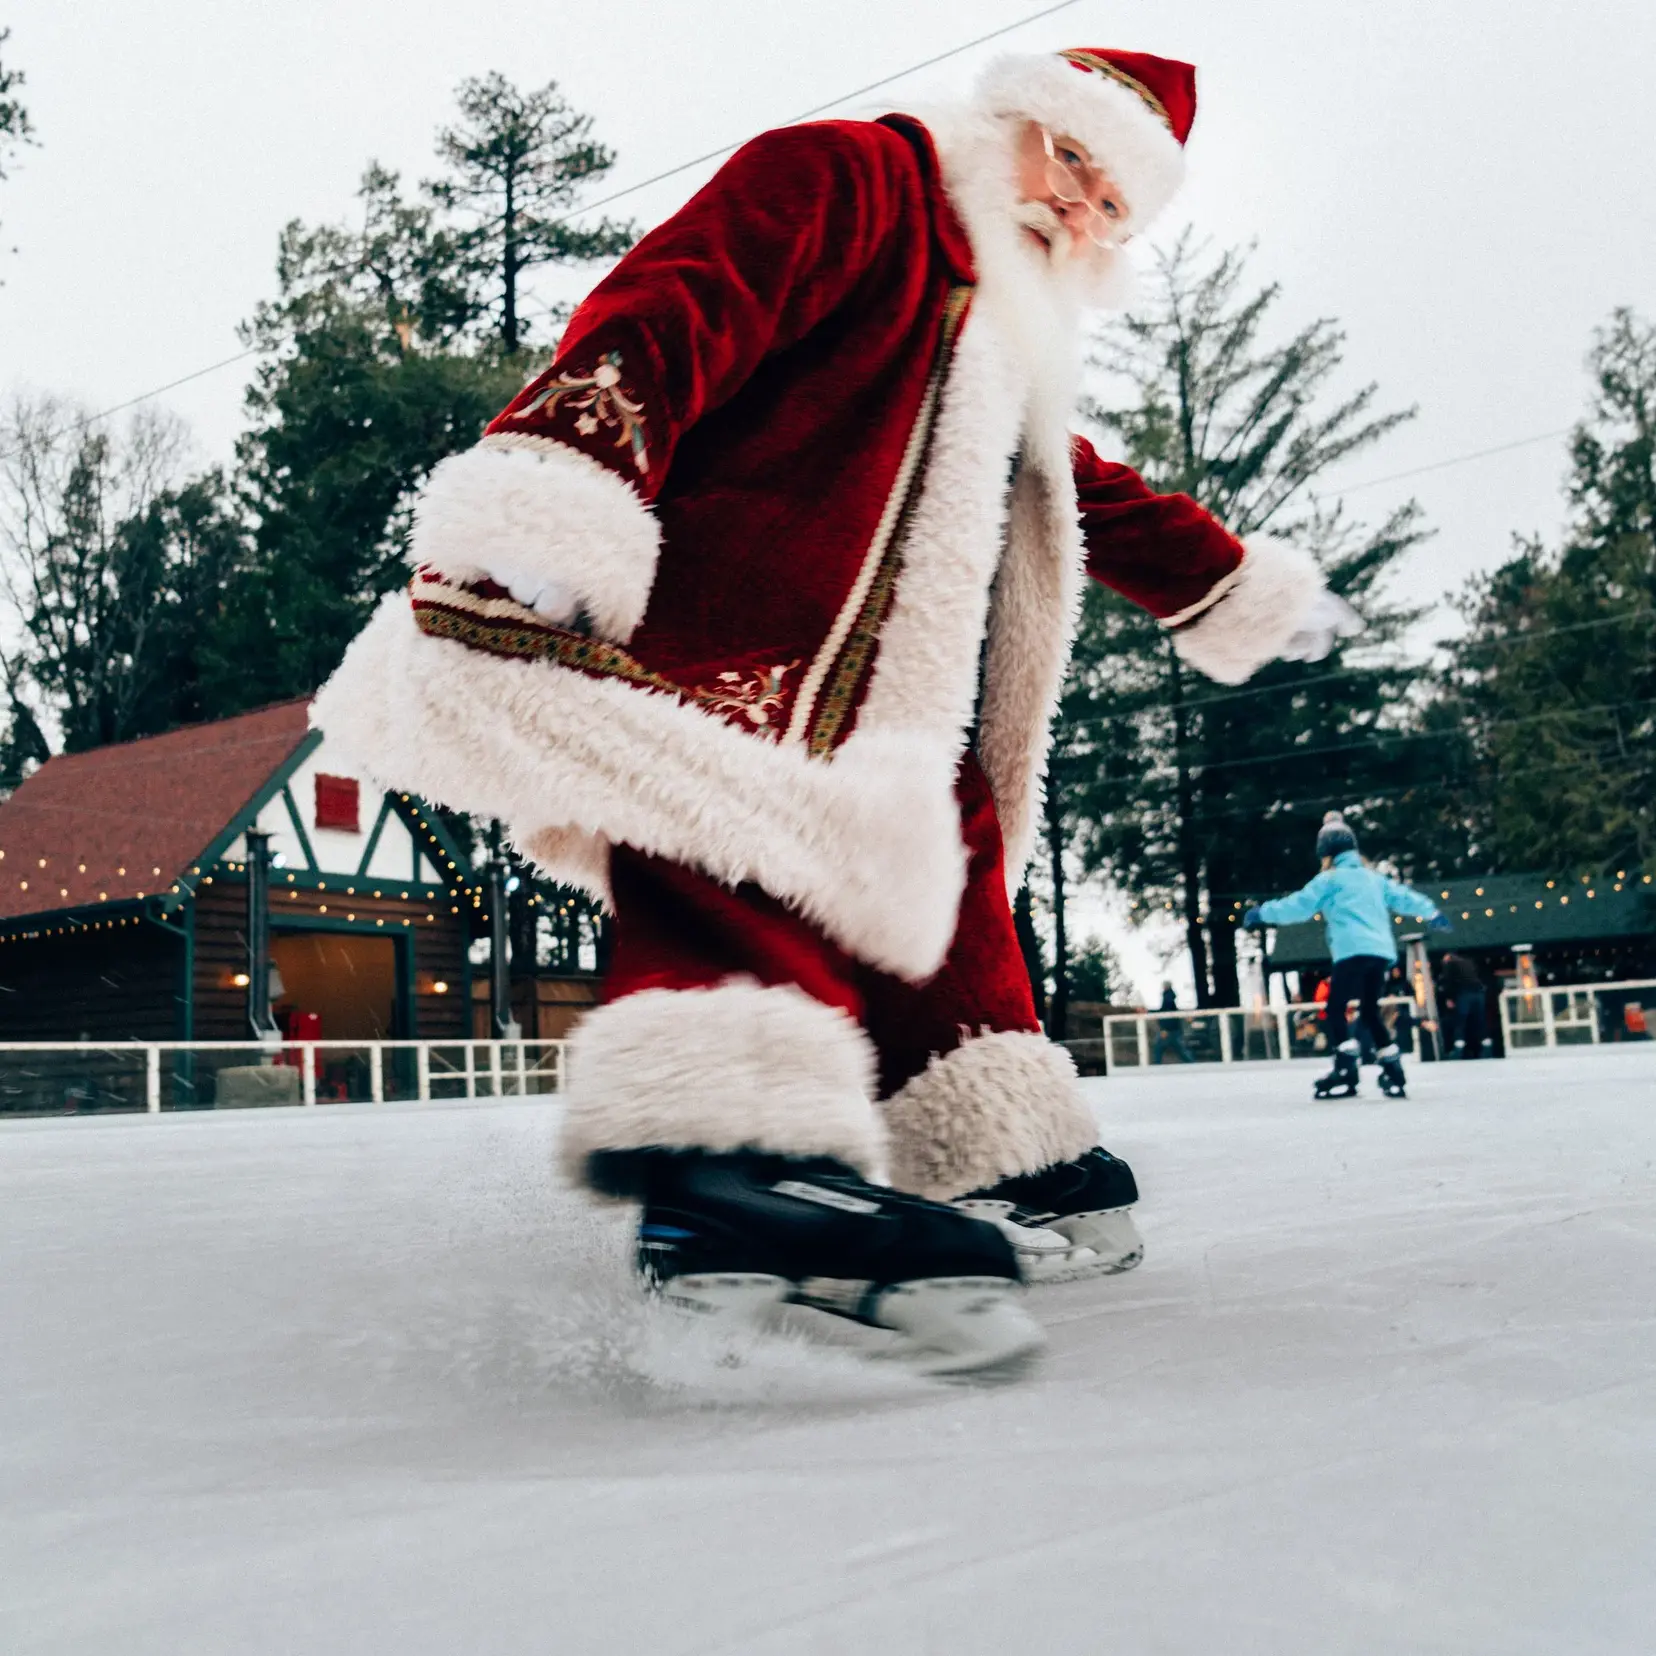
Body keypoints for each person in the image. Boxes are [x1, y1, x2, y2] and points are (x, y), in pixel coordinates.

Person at [317, 47, 1354, 1371]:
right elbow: (677, 303)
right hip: (726, 636)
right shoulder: (860, 179)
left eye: (1115, 207)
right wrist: (563, 481)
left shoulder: (997, 333)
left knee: (945, 862)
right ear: (1014, 125)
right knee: (728, 825)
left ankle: (997, 1152)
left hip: (888, 694)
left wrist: (1232, 585)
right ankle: (734, 1178)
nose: (1079, 210)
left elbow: (1081, 491)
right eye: (1074, 159)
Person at [1246, 814, 1445, 1099]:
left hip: (1351, 952)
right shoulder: (1373, 879)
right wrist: (1431, 912)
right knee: (1368, 1011)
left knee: (1336, 1009)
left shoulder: (1329, 880)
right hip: (1379, 954)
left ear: (1325, 853)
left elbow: (1298, 906)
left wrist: (1262, 913)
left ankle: (1346, 1067)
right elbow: (1404, 897)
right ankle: (1393, 1068)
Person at [1437, 951, 1486, 1058]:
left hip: (1464, 994)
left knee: (1460, 1022)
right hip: (1478, 993)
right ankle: (1481, 1048)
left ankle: (1458, 1049)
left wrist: (1449, 998)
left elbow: (1449, 981)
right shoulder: (1470, 963)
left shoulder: (1450, 965)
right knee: (1477, 1022)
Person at [1153, 981, 1194, 1063]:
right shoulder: (1170, 997)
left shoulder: (1167, 998)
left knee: (1159, 1048)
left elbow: (1167, 1015)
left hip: (1169, 1030)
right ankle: (1191, 1063)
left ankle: (1157, 1066)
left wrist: (1164, 1028)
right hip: (1173, 1030)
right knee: (1180, 1049)